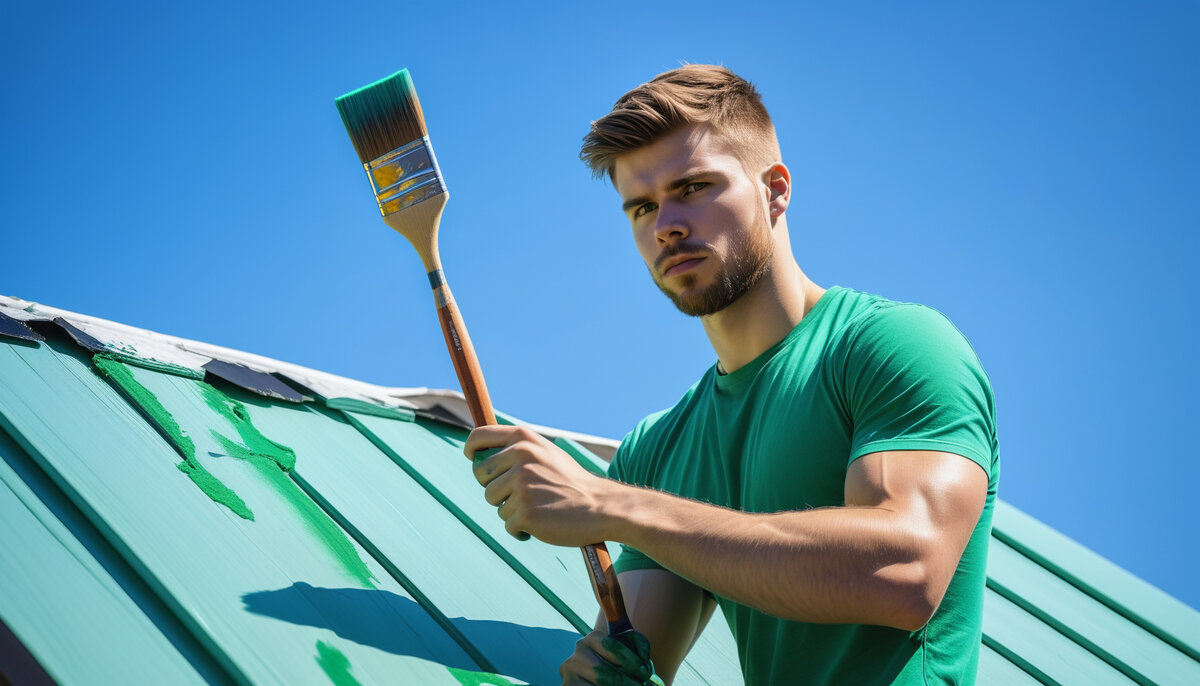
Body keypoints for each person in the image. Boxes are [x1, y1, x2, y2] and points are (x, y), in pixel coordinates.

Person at [464, 65, 999, 685]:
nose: (665, 223)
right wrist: (603, 670)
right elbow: (641, 653)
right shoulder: (660, 450)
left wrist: (611, 505)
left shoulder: (892, 346)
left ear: (775, 190)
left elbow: (905, 574)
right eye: (641, 207)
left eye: (692, 186)